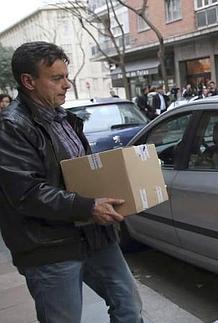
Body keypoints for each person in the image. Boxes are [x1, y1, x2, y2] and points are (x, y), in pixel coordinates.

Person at [0, 41, 143, 323]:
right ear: (28, 81)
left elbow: (80, 173)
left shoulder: (65, 118)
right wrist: (88, 207)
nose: (66, 85)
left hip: (94, 237)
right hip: (49, 247)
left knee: (128, 305)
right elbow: (26, 192)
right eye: (56, 78)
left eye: (67, 77)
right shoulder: (11, 127)